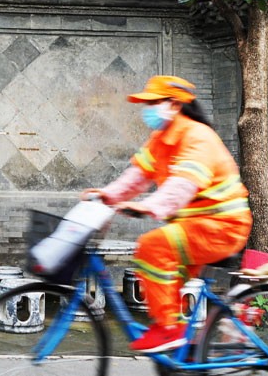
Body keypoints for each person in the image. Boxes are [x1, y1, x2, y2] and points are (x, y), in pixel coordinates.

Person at [82, 75, 252, 353]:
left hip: (222, 226)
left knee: (152, 247)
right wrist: (107, 195)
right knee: (159, 284)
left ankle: (168, 331)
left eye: (153, 103)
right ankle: (183, 345)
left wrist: (150, 206)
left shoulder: (197, 136)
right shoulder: (161, 139)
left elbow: (183, 183)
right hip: (198, 227)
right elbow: (138, 176)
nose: (147, 109)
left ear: (174, 104)